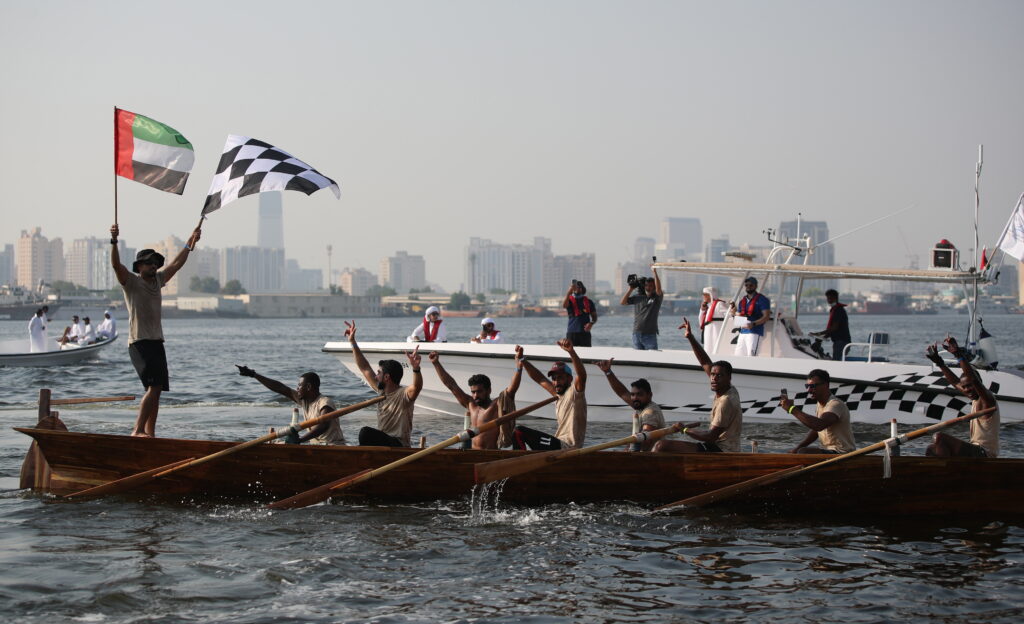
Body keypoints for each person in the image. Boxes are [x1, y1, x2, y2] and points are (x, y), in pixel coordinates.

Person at [110, 222, 202, 437]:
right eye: (149, 263)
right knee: (153, 387)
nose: (153, 266)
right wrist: (114, 240)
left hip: (156, 341)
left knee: (157, 389)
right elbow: (116, 265)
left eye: (155, 263)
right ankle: (137, 430)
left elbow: (177, 264)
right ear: (139, 267)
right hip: (139, 342)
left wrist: (191, 242)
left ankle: (150, 433)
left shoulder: (158, 281)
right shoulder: (131, 282)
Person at [653, 318, 742, 453]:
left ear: (729, 378)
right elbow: (705, 362)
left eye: (719, 376)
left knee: (661, 446)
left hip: (722, 450)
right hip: (718, 445)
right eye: (712, 375)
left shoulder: (726, 401)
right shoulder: (726, 387)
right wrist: (690, 337)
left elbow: (710, 437)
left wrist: (684, 429)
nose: (713, 378)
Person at [346, 320, 423, 447]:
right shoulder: (381, 390)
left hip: (399, 445)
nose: (376, 376)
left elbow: (417, 387)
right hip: (383, 443)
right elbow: (365, 368)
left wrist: (416, 368)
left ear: (387, 377)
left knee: (364, 433)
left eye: (379, 373)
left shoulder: (403, 394)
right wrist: (352, 341)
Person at [428, 347, 523, 449]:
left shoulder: (496, 405)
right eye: (473, 392)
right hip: (473, 454)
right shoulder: (470, 404)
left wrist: (519, 368)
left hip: (490, 456)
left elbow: (511, 390)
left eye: (479, 391)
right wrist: (436, 363)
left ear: (489, 390)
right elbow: (451, 385)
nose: (475, 395)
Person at [924, 336, 999, 458]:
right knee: (931, 449)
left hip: (985, 454)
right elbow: (955, 382)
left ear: (977, 384)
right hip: (975, 450)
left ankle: (948, 472)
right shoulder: (973, 397)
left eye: (970, 386)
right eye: (964, 387)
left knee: (939, 437)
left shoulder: (987, 400)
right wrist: (939, 362)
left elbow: (973, 379)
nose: (966, 390)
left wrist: (958, 355)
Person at [235, 366, 346, 444]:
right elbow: (281, 388)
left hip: (333, 446)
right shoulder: (305, 401)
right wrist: (254, 375)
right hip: (317, 448)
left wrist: (300, 440)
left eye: (299, 386)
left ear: (308, 387)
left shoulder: (325, 402)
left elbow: (323, 425)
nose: (297, 389)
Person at [514, 339, 588, 450]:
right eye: (554, 379)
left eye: (560, 378)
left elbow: (582, 375)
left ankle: (518, 464)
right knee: (515, 432)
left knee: (518, 431)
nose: (556, 382)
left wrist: (571, 352)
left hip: (568, 447)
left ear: (569, 379)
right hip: (558, 443)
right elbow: (539, 378)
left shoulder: (575, 393)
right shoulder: (557, 394)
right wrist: (522, 360)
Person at [594, 358, 665, 451]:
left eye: (639, 394)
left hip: (650, 457)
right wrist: (608, 372)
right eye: (633, 394)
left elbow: (645, 438)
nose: (635, 398)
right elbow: (622, 392)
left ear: (650, 395)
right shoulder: (640, 405)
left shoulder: (650, 412)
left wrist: (626, 452)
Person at [779, 368, 856, 454]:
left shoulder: (835, 404)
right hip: (828, 451)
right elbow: (816, 430)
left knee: (804, 452)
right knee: (799, 451)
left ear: (826, 385)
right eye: (807, 386)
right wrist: (797, 448)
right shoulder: (820, 404)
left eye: (812, 386)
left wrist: (791, 409)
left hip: (843, 453)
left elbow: (819, 425)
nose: (809, 390)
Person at [621, 268, 663, 350]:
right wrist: (630, 289)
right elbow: (623, 302)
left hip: (650, 334)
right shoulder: (638, 297)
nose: (648, 287)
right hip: (636, 333)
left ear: (654, 287)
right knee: (639, 357)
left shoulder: (657, 298)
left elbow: (658, 290)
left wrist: (654, 272)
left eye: (651, 286)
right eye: (647, 285)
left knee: (652, 358)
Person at [730, 276, 770, 357]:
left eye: (750, 285)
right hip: (742, 332)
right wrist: (734, 313)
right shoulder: (742, 301)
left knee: (751, 356)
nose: (748, 287)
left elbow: (766, 316)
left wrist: (753, 324)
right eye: (746, 285)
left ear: (755, 286)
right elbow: (740, 316)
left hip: (755, 332)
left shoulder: (762, 300)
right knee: (738, 355)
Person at [811, 289, 851, 361]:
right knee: (836, 360)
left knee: (836, 361)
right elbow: (832, 330)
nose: (828, 300)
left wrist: (819, 333)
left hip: (842, 342)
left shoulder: (839, 310)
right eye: (827, 298)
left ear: (835, 298)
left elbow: (834, 328)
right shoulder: (834, 309)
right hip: (839, 342)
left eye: (830, 298)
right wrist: (822, 337)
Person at [563, 281, 597, 347]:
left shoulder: (589, 302)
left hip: (585, 333)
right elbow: (564, 305)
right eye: (575, 287)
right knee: (571, 352)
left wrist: (591, 323)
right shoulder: (569, 301)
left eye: (578, 287)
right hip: (572, 332)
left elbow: (594, 317)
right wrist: (568, 293)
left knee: (586, 354)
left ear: (582, 289)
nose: (577, 289)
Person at [699, 286, 728, 353]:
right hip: (708, 333)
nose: (703, 296)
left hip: (716, 332)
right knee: (708, 350)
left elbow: (730, 315)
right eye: (703, 295)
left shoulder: (719, 304)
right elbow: (701, 322)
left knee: (716, 349)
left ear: (710, 295)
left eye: (705, 295)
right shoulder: (708, 307)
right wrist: (702, 310)